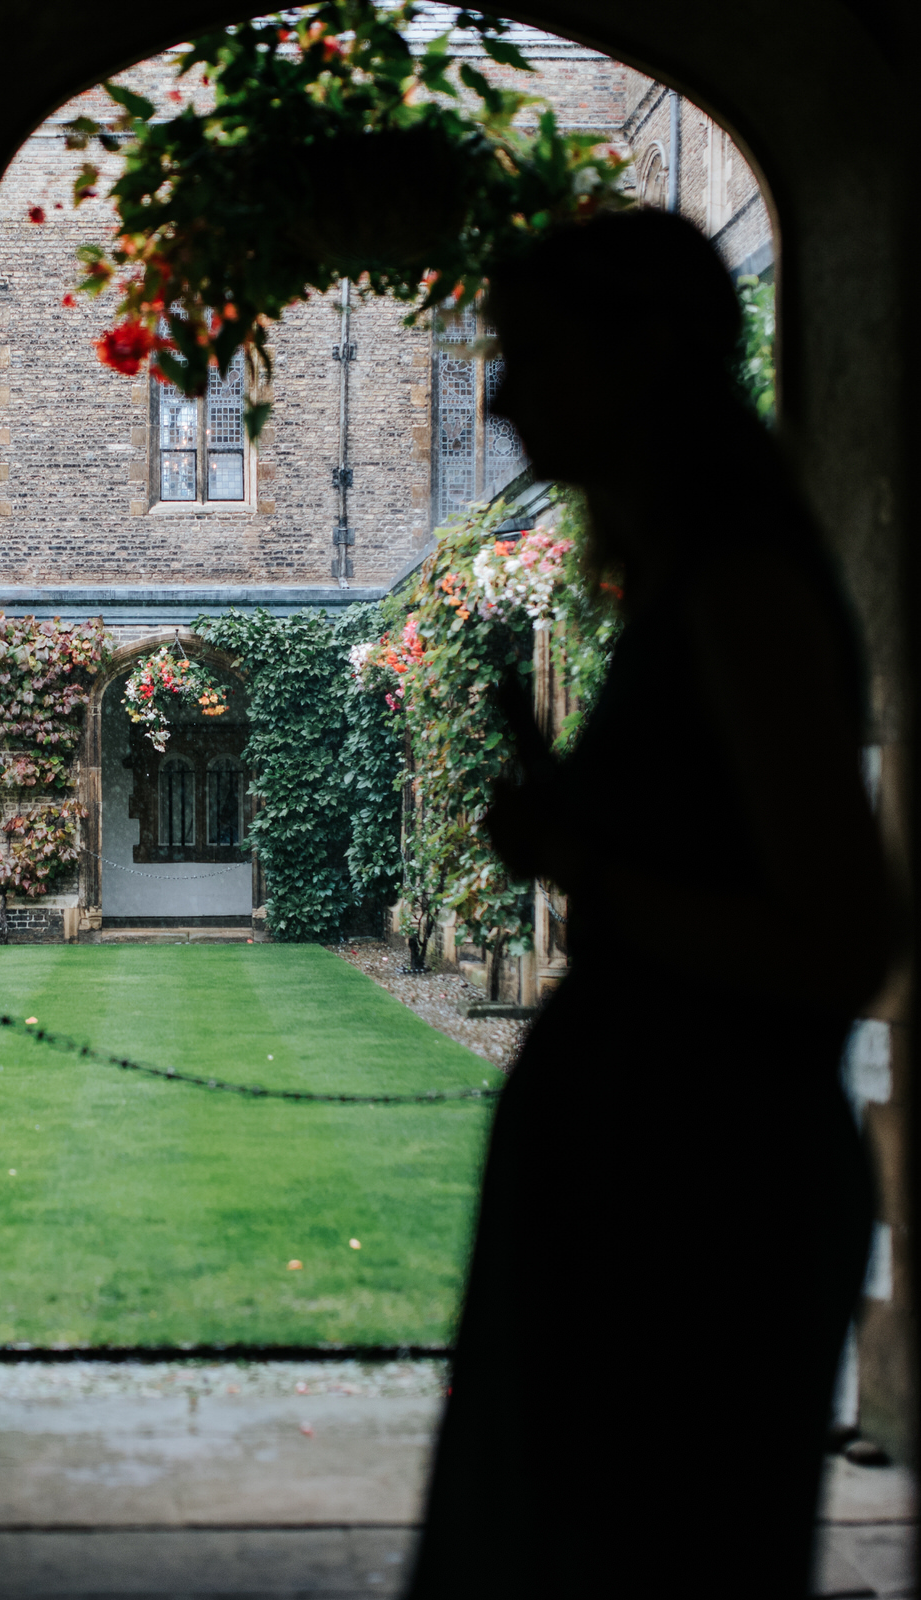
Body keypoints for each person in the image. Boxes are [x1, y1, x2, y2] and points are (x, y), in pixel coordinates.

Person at [405, 209, 902, 1599]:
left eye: (530, 354)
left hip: (703, 1196)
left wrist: (585, 858)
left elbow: (846, 941)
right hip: (654, 1172)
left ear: (647, 354)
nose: (498, 395)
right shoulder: (693, 579)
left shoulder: (744, 589)